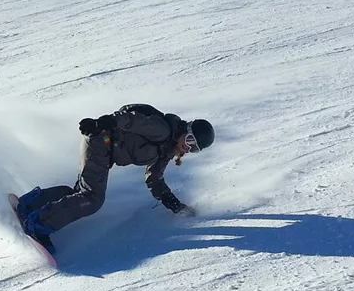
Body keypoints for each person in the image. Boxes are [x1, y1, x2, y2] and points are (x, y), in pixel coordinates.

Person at [14, 104, 214, 254]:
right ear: (186, 129)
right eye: (190, 140)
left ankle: (31, 204)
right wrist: (103, 123)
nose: (188, 147)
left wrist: (174, 204)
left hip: (105, 150)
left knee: (81, 193)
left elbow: (154, 179)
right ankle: (38, 225)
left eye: (194, 148)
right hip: (102, 140)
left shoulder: (167, 150)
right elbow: (132, 120)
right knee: (91, 199)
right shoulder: (162, 130)